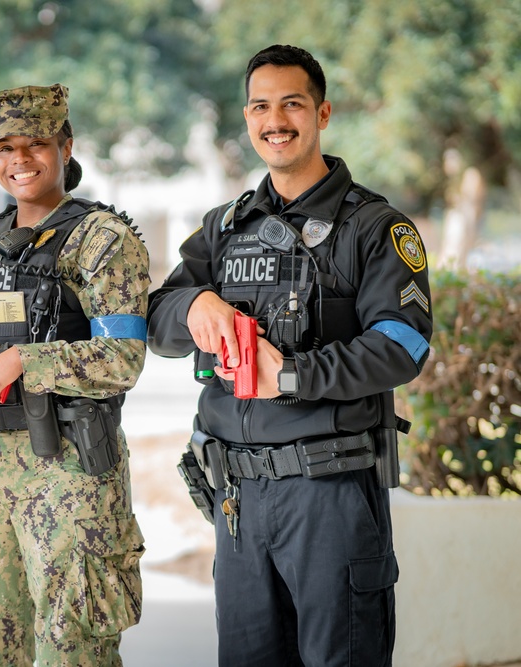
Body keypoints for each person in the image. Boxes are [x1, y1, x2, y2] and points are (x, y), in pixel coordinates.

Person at [147, 45, 433, 666]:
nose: (275, 119)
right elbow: (157, 319)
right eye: (259, 106)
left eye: (292, 103)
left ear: (322, 112)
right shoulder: (224, 227)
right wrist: (195, 304)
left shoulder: (376, 227)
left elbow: (404, 346)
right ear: (247, 119)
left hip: (328, 493)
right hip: (238, 501)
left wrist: (293, 374)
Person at [0, 83, 150, 666]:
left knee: (74, 649)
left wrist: (25, 362)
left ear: (66, 146)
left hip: (67, 471)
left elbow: (123, 357)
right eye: (4, 147)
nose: (20, 160)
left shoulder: (103, 241)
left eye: (36, 143)